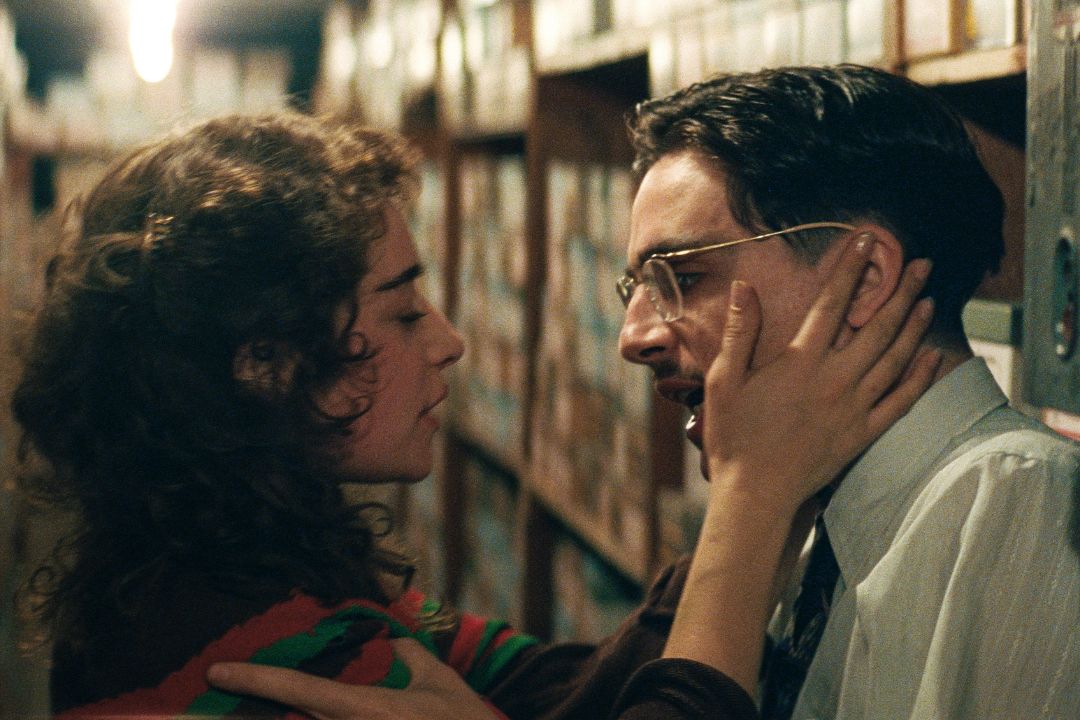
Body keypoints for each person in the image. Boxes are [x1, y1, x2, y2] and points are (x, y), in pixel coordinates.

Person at [208, 64, 1080, 719]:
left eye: (684, 277)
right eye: (636, 289)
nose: (634, 338)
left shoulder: (1018, 504)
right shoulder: (811, 507)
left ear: (866, 279)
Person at [12, 108, 935, 719]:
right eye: (403, 312)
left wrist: (771, 482)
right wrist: (755, 495)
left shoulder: (248, 569)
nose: (449, 341)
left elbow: (561, 691)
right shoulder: (267, 663)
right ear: (270, 366)